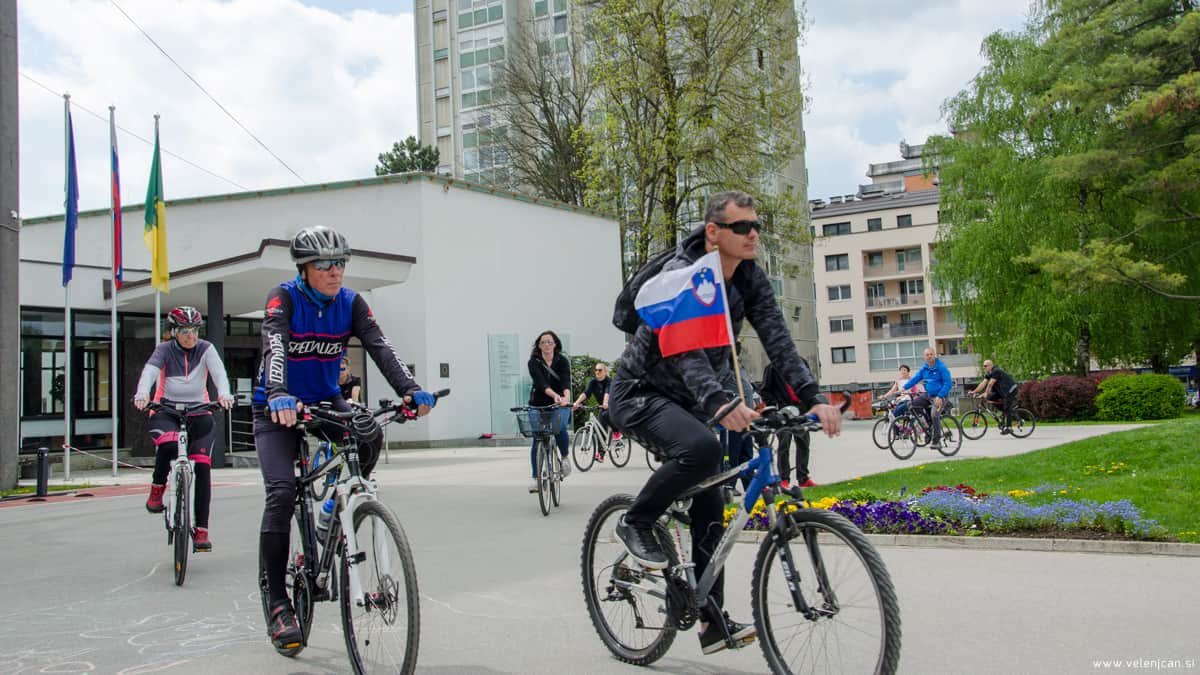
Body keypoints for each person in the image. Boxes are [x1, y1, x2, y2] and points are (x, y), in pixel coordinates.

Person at [608, 190, 842, 656]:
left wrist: (814, 398)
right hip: (640, 393)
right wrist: (719, 402)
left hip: (692, 399)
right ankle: (636, 520)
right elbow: (686, 350)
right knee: (704, 449)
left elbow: (779, 342)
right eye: (742, 227)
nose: (753, 234)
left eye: (757, 226)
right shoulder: (682, 277)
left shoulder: (750, 279)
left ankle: (710, 620)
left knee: (712, 498)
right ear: (714, 232)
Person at [252, 225, 438, 651]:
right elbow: (275, 348)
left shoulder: (352, 303)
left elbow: (381, 348)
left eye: (340, 263)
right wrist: (279, 393)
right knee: (281, 492)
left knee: (367, 433)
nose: (335, 272)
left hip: (324, 399)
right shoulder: (283, 298)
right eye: (325, 265)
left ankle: (334, 506)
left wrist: (409, 389)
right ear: (304, 268)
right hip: (276, 406)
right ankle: (280, 603)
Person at [133, 306, 234, 553]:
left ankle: (201, 530)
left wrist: (224, 394)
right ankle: (157, 490)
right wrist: (142, 393)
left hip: (200, 411)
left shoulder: (205, 348)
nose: (192, 336)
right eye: (186, 331)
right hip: (166, 410)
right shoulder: (164, 350)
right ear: (174, 331)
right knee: (168, 444)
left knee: (202, 466)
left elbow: (219, 372)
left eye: (195, 330)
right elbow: (149, 372)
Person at [759, 360, 816, 488]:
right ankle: (784, 478)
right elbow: (765, 390)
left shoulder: (801, 363)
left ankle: (803, 478)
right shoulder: (773, 367)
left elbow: (809, 383)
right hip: (783, 411)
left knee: (803, 443)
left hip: (801, 409)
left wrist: (810, 402)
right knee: (784, 445)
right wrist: (774, 407)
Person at [527, 330, 572, 491]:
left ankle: (565, 458)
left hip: (559, 403)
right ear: (539, 346)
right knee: (537, 436)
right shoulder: (534, 362)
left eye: (550, 342)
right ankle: (536, 478)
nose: (546, 345)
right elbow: (541, 383)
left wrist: (566, 397)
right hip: (537, 403)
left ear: (555, 344)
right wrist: (555, 395)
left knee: (558, 427)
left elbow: (566, 381)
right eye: (543, 342)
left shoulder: (562, 361)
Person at [903, 347, 953, 450]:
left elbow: (948, 383)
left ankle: (937, 441)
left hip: (940, 396)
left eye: (931, 354)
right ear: (924, 357)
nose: (929, 356)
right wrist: (904, 387)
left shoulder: (941, 367)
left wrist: (940, 396)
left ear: (934, 355)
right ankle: (928, 426)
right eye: (927, 355)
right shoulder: (924, 368)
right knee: (912, 405)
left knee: (935, 415)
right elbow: (916, 378)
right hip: (928, 395)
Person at [573, 361, 618, 460]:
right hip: (603, 406)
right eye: (596, 370)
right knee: (600, 428)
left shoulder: (609, 381)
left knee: (607, 414)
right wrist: (576, 403)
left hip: (613, 405)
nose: (597, 372)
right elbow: (586, 393)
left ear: (605, 372)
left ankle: (616, 431)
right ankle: (601, 455)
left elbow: (607, 392)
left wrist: (606, 403)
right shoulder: (593, 382)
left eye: (600, 370)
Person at [969, 359, 1018, 433]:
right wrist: (974, 391)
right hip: (1002, 391)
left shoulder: (996, 371)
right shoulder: (988, 373)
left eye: (985, 366)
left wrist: (985, 393)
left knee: (1007, 406)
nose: (984, 367)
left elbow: (990, 384)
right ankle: (1005, 412)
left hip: (1011, 389)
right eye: (983, 366)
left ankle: (1009, 427)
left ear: (991, 365)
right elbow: (983, 383)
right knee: (991, 399)